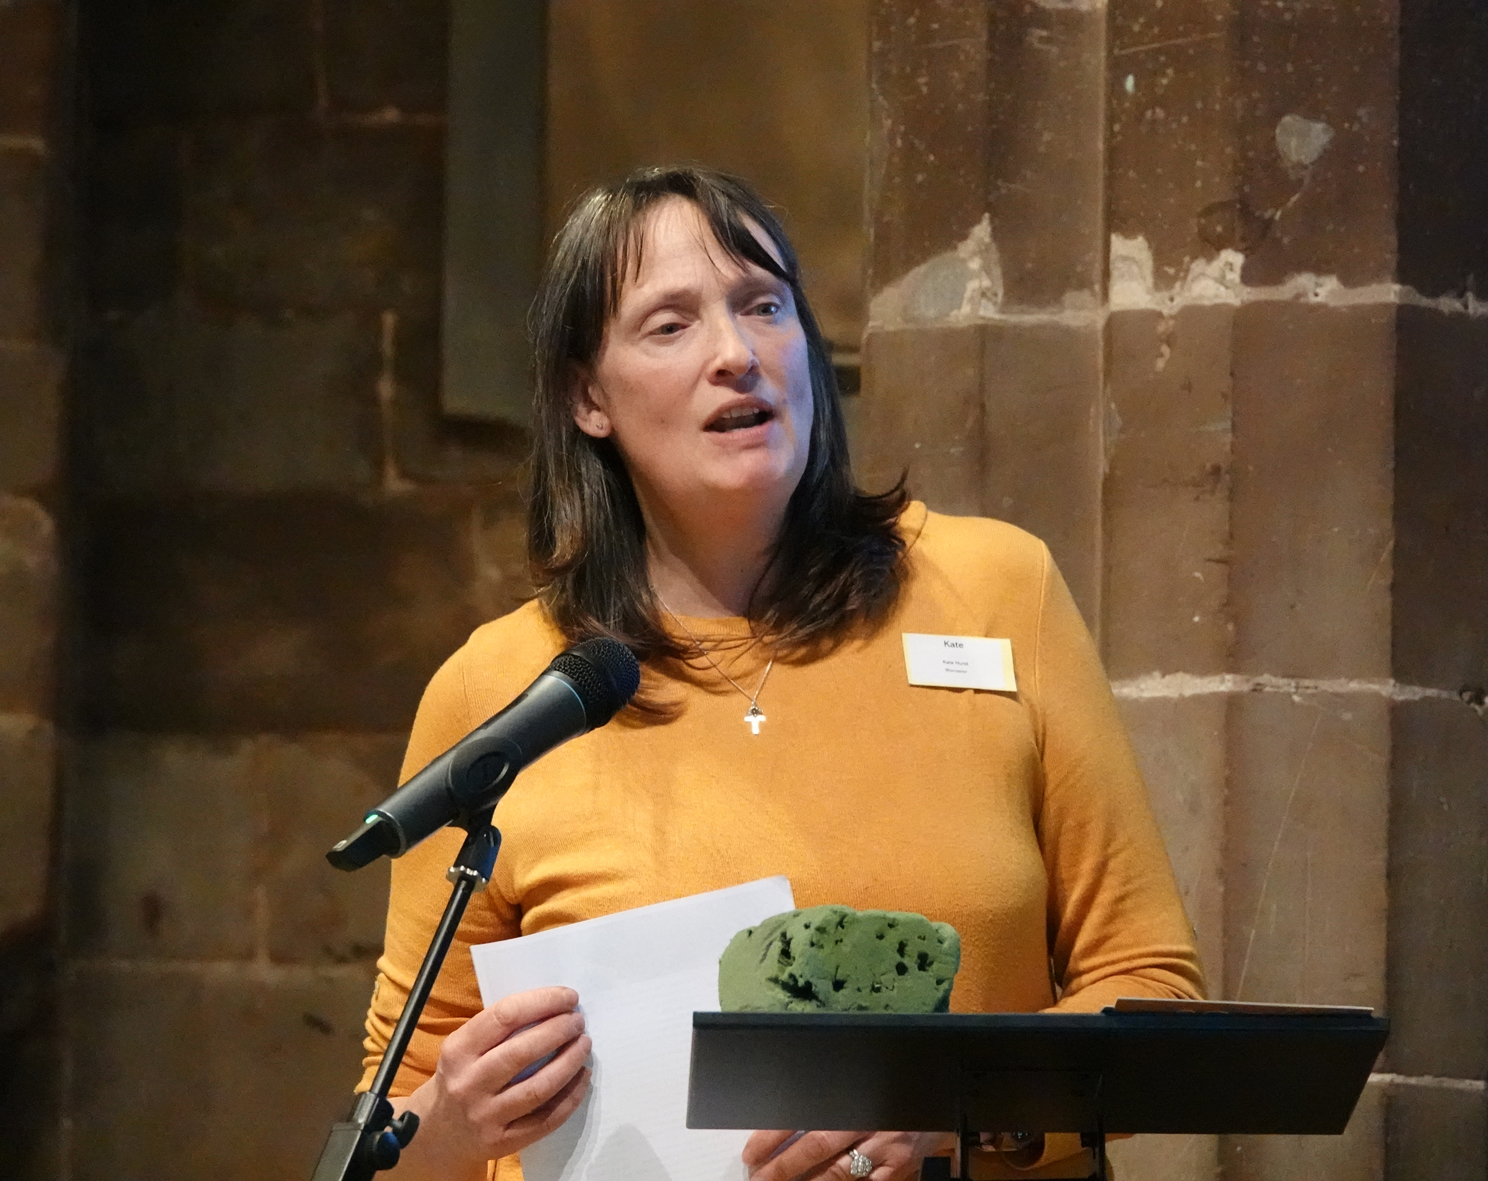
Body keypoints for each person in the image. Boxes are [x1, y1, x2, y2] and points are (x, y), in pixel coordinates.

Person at [358, 165, 1205, 1181]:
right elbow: (392, 1111)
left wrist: (958, 1106)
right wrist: (451, 1119)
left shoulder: (994, 586)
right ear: (588, 395)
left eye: (763, 306)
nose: (736, 353)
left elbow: (1150, 985)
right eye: (670, 325)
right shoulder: (503, 685)